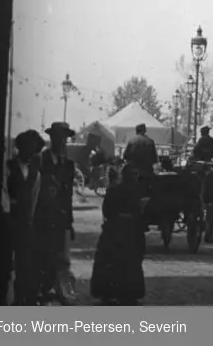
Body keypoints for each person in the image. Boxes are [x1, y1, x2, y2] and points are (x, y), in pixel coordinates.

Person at [90, 164, 146, 305]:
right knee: (124, 262)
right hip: (123, 229)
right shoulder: (131, 190)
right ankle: (122, 292)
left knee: (116, 262)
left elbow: (107, 210)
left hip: (120, 229)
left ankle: (115, 292)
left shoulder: (120, 189)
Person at [36, 123, 78, 304]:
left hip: (61, 218)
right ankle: (44, 289)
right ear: (51, 138)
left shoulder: (68, 165)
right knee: (44, 253)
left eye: (64, 138)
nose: (61, 141)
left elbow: (67, 197)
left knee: (62, 255)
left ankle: (60, 290)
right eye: (58, 137)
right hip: (44, 217)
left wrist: (70, 222)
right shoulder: (41, 161)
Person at [7, 130, 44, 305]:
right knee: (7, 265)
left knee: (25, 265)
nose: (30, 151)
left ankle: (22, 300)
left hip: (26, 225)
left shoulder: (35, 174)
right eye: (28, 146)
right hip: (7, 224)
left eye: (34, 148)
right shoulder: (8, 167)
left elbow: (34, 200)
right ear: (20, 147)